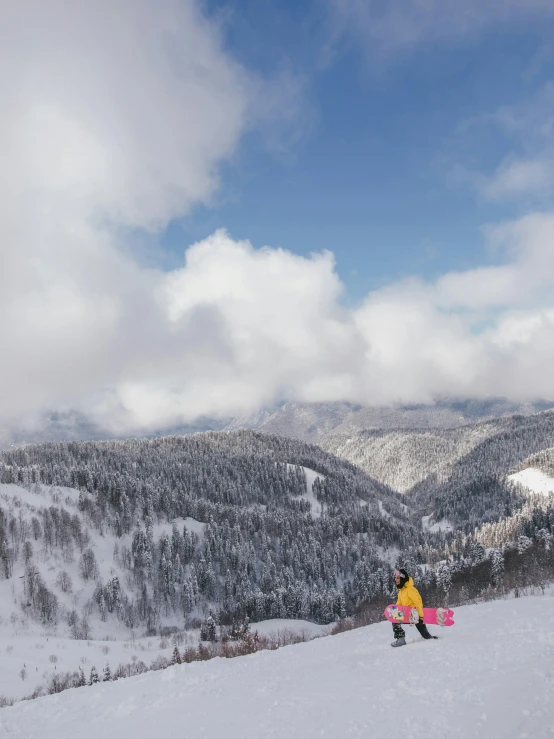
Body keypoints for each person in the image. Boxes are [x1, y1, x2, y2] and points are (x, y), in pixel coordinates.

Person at [391, 568, 437, 647]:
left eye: (398, 578)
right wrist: (395, 611)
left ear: (403, 578)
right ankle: (401, 639)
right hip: (407, 614)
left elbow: (418, 603)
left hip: (415, 615)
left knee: (422, 630)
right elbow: (398, 604)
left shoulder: (410, 589)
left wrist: (421, 616)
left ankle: (428, 637)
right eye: (395, 578)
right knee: (394, 619)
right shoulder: (401, 591)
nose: (396, 580)